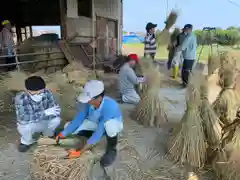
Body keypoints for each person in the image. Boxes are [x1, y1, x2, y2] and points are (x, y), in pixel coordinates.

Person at [56, 80, 123, 167]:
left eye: (89, 99)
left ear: (98, 97)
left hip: (110, 124)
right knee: (67, 126)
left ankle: (111, 149)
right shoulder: (88, 103)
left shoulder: (110, 106)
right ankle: (86, 138)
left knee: (109, 126)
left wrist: (81, 151)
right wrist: (63, 133)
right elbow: (78, 118)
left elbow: (99, 130)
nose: (87, 101)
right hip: (94, 123)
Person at [15, 76, 61, 152]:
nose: (38, 94)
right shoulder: (20, 98)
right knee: (25, 127)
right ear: (27, 90)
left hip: (44, 120)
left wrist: (54, 112)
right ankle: (26, 141)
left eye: (40, 92)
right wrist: (45, 113)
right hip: (30, 123)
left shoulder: (47, 93)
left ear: (44, 88)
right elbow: (23, 118)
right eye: (34, 93)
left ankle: (47, 135)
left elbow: (55, 110)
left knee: (56, 120)